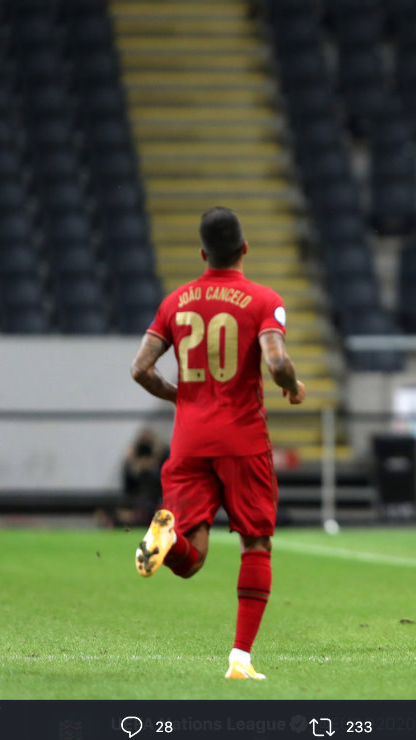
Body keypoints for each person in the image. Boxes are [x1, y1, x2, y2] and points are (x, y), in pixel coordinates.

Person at [130, 206, 307, 680]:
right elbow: (275, 360)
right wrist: (291, 385)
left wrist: (181, 396)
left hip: (189, 439)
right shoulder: (263, 299)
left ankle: (165, 538)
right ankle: (240, 659)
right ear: (244, 249)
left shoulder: (176, 302)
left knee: (191, 559)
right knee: (257, 543)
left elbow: (140, 368)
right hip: (242, 439)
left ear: (202, 252)